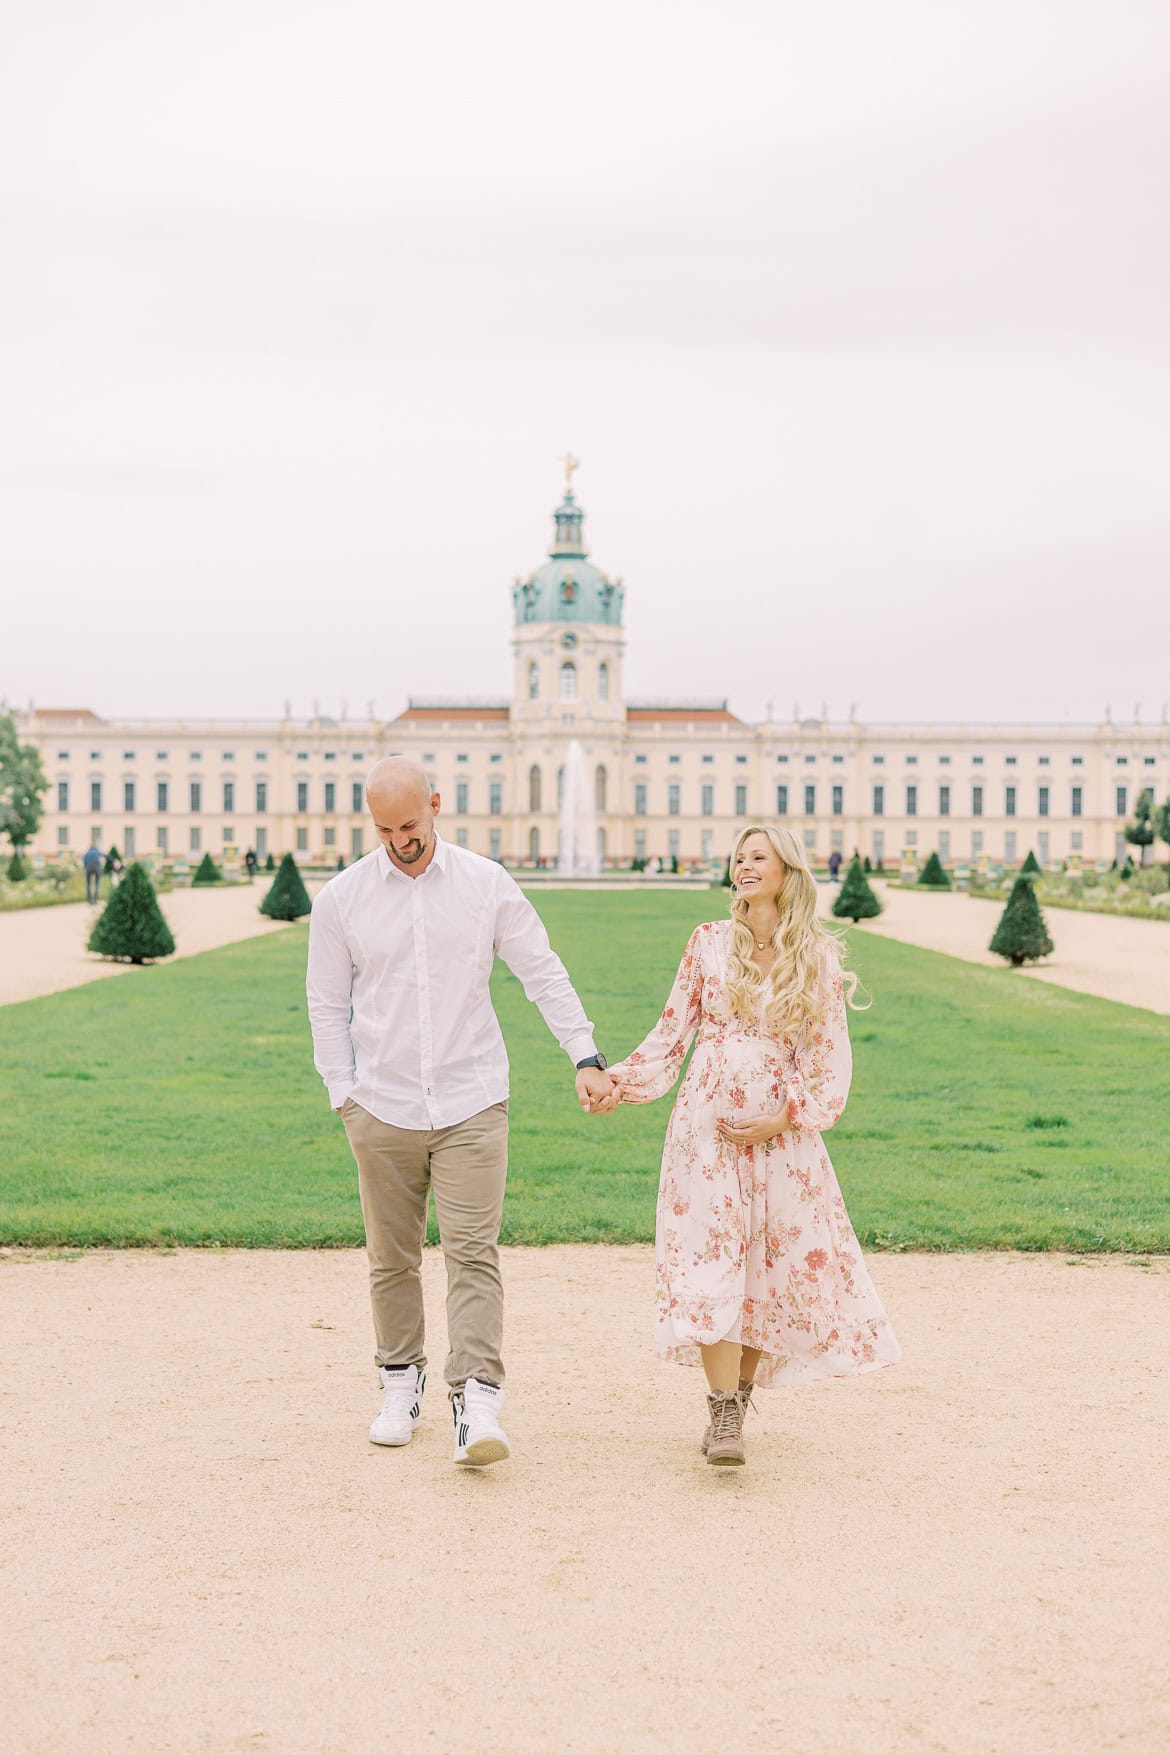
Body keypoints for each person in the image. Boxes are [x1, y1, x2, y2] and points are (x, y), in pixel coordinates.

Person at [306, 757, 615, 1470]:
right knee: (391, 1258)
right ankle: (399, 1381)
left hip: (472, 1096)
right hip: (380, 1102)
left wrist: (585, 1054)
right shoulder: (343, 897)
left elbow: (541, 969)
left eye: (409, 824)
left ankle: (476, 1400)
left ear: (437, 805)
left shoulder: (485, 884)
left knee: (473, 1252)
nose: (398, 840)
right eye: (384, 829)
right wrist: (341, 1094)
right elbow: (326, 1001)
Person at [608, 824, 900, 1467]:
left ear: (787, 871)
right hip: (705, 1132)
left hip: (782, 1142)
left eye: (757, 857)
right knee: (711, 1262)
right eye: (738, 858)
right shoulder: (708, 942)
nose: (743, 866)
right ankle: (721, 1410)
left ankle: (736, 1398)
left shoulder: (815, 957)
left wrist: (786, 1116)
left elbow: (828, 1058)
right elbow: (671, 1032)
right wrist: (618, 1082)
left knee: (767, 1269)